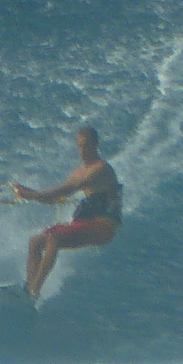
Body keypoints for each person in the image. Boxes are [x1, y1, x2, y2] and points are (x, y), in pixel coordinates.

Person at [10, 125, 121, 299]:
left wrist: (31, 195)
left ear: (95, 145)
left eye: (86, 145)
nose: (82, 150)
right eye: (79, 145)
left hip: (103, 225)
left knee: (54, 237)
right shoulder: (77, 172)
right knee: (35, 242)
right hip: (84, 223)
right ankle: (29, 292)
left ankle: (34, 290)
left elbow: (68, 189)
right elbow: (53, 198)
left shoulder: (101, 169)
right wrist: (27, 192)